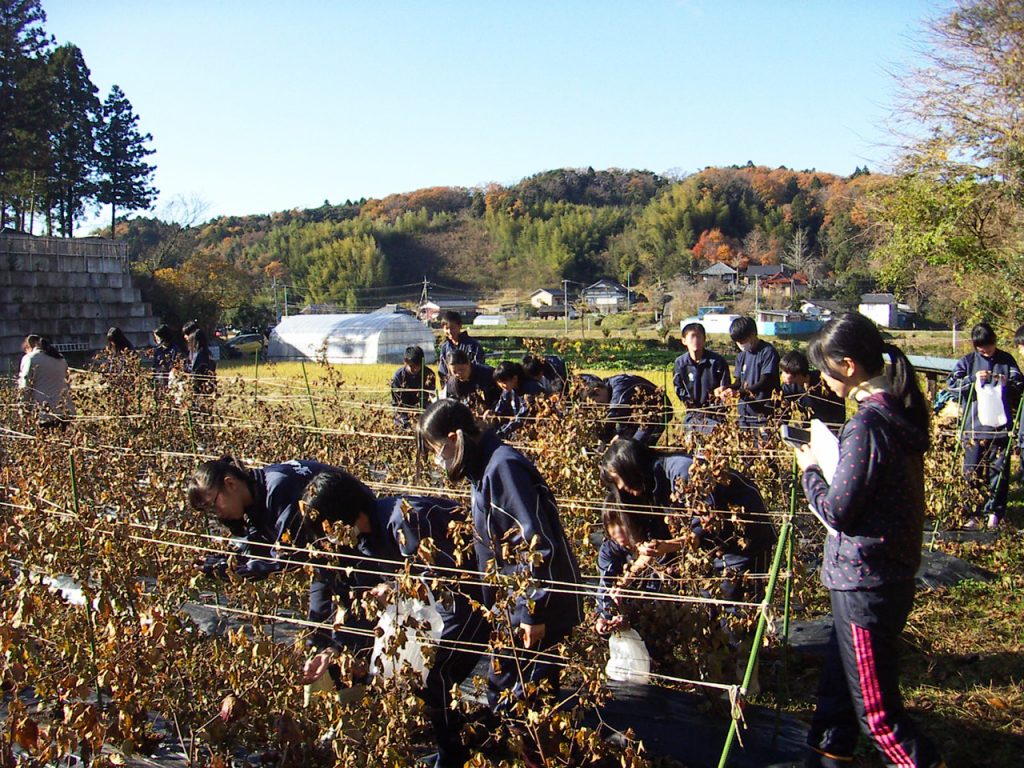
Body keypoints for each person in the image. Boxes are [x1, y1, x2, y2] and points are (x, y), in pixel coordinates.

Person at [792, 313, 944, 768]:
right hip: (882, 571)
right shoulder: (894, 415)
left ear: (848, 365)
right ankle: (827, 757)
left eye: (824, 368)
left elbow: (839, 510)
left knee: (877, 716)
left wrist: (811, 470)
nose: (821, 377)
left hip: (865, 581)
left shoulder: (868, 425)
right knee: (837, 694)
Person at [297, 470, 489, 768]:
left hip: (472, 602)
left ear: (341, 514)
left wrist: (398, 589)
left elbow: (451, 580)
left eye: (327, 527)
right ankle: (460, 736)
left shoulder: (404, 520)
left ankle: (458, 750)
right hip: (433, 611)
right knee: (403, 672)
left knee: (433, 674)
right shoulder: (361, 542)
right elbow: (357, 604)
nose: (329, 537)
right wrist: (332, 649)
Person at [417, 400, 583, 719]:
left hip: (535, 610)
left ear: (453, 438)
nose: (437, 459)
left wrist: (533, 613)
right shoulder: (483, 470)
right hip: (514, 607)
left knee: (524, 700)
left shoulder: (502, 468)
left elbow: (536, 543)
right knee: (509, 693)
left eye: (437, 448)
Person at [598, 438, 774, 604]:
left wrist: (669, 545)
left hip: (744, 541)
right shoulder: (649, 488)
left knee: (737, 607)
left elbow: (706, 526)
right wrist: (625, 582)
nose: (620, 487)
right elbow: (656, 544)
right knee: (711, 608)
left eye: (618, 479)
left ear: (631, 467)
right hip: (713, 549)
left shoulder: (681, 472)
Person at [187, 456, 337, 579]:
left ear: (230, 484)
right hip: (327, 556)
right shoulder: (255, 492)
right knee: (319, 614)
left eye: (214, 505)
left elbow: (289, 554)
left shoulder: (278, 488)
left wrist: (241, 571)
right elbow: (256, 542)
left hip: (353, 546)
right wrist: (228, 561)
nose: (217, 513)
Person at [946, 322, 1022, 529]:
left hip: (1000, 429)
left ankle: (994, 512)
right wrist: (972, 380)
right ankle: (971, 512)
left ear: (995, 342)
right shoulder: (968, 362)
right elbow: (951, 386)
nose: (986, 352)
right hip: (973, 428)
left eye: (989, 346)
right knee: (971, 471)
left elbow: (1019, 383)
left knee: (998, 472)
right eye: (981, 348)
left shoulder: (1006, 360)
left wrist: (1006, 383)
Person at [594, 493, 668, 636]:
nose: (617, 531)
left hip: (658, 616)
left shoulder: (654, 544)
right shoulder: (609, 550)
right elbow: (605, 585)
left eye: (622, 523)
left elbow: (658, 585)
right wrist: (607, 617)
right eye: (611, 525)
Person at [715, 316, 780, 428]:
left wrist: (741, 392)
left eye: (743, 340)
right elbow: (738, 382)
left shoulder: (767, 352)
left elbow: (765, 381)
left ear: (753, 334)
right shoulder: (741, 356)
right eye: (738, 342)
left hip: (763, 413)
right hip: (744, 413)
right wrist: (726, 388)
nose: (741, 344)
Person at [582, 373, 673, 446]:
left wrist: (604, 438)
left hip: (657, 413)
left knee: (635, 446)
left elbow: (614, 413)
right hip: (637, 417)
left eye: (596, 403)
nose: (597, 407)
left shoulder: (619, 386)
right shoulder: (610, 388)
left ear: (597, 390)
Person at [672, 322, 731, 433]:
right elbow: (679, 388)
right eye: (692, 336)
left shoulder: (717, 362)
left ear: (704, 339)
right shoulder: (680, 363)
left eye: (699, 336)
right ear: (684, 341)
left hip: (715, 414)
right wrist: (692, 406)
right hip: (693, 414)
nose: (696, 340)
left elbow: (725, 387)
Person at [17, 334, 75, 428]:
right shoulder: (60, 358)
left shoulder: (30, 359)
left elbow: (25, 387)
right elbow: (67, 384)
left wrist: (22, 410)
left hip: (44, 413)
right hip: (65, 410)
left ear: (29, 347)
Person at [780, 349, 847, 429]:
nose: (782, 375)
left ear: (798, 373)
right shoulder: (789, 387)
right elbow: (784, 411)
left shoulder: (824, 382)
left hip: (829, 429)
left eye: (786, 372)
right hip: (806, 428)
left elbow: (839, 412)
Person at [491, 360, 545, 437]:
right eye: (499, 382)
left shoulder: (531, 389)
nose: (502, 385)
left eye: (504, 382)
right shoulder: (508, 390)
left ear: (515, 379)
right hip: (520, 428)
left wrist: (502, 433)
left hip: (537, 428)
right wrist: (493, 414)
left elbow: (521, 416)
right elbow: (501, 405)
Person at [390, 345, 437, 427]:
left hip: (423, 412)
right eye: (411, 366)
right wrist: (405, 421)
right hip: (402, 411)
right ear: (405, 363)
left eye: (417, 366)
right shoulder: (399, 376)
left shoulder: (429, 375)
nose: (414, 369)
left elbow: (429, 400)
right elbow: (397, 403)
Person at [437, 311, 485, 385]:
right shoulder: (445, 348)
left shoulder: (473, 345)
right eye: (446, 328)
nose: (449, 331)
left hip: (471, 385)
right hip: (452, 386)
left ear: (460, 326)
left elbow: (479, 367)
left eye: (452, 328)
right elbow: (443, 371)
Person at [185, 328, 217, 396]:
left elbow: (193, 370)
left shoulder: (198, 354)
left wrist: (184, 367)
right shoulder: (207, 352)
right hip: (207, 385)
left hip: (198, 385)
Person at [152, 324, 183, 389]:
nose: (156, 339)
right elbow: (155, 366)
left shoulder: (174, 350)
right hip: (159, 379)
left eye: (157, 337)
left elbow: (177, 366)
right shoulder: (157, 350)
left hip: (171, 379)